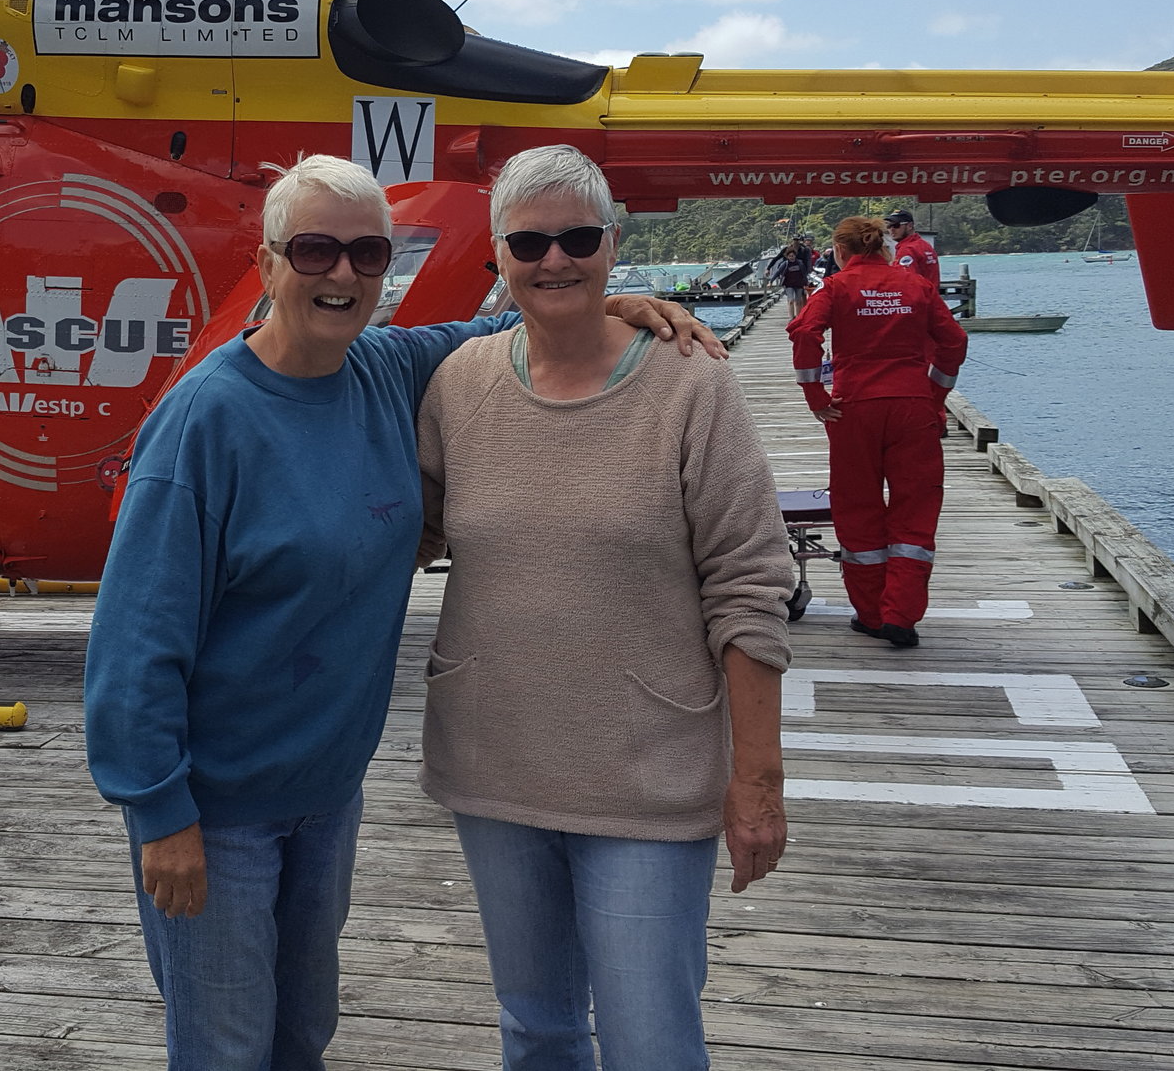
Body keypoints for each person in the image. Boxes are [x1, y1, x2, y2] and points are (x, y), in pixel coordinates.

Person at [83, 154, 718, 1071]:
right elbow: (135, 639)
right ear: (265, 264)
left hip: (325, 798)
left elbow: (501, 324)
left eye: (369, 254)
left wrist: (599, 303)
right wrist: (157, 814)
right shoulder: (204, 422)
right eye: (314, 251)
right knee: (223, 1049)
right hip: (214, 810)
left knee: (300, 1035)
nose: (342, 276)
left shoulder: (381, 369)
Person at [415, 145, 793, 1071]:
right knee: (535, 1027)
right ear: (498, 255)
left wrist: (757, 783)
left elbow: (750, 584)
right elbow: (396, 532)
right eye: (530, 241)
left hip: (648, 781)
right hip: (495, 767)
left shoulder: (690, 385)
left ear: (612, 243)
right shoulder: (456, 383)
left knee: (650, 1039)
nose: (555, 260)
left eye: (578, 238)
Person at [789, 215, 967, 647]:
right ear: (885, 248)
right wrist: (934, 396)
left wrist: (816, 396)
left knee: (858, 507)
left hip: (853, 411)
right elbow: (954, 343)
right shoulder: (916, 285)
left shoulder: (834, 288)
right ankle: (901, 616)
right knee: (916, 510)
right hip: (912, 407)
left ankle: (870, 613)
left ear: (839, 252)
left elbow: (805, 333)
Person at [882, 209, 940, 287]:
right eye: (889, 226)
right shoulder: (926, 246)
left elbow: (904, 281)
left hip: (917, 297)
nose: (891, 229)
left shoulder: (907, 249)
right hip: (931, 295)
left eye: (896, 225)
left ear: (909, 226)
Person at [777, 237, 813, 311]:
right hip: (789, 279)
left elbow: (808, 261)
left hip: (801, 276)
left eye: (797, 240)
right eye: (794, 240)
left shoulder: (805, 250)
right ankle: (793, 316)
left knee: (801, 297)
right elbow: (777, 259)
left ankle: (803, 312)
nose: (796, 242)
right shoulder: (787, 250)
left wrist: (808, 272)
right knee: (791, 299)